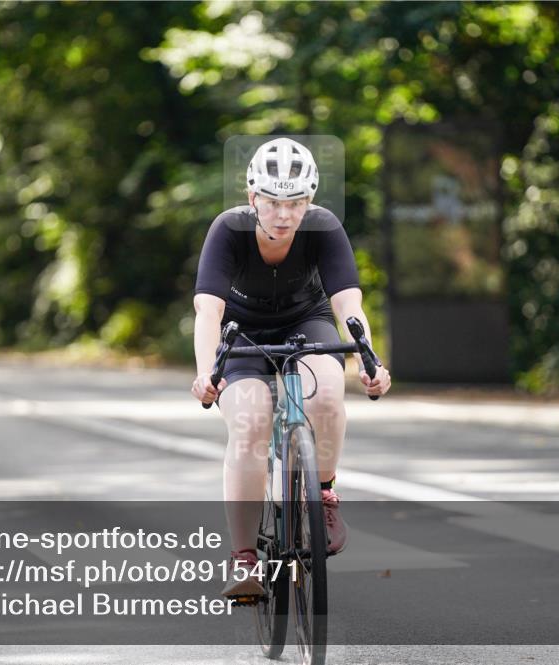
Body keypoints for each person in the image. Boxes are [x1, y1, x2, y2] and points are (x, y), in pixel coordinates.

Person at [191, 138, 391, 597]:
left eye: (296, 202)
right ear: (252, 197)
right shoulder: (228, 230)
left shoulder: (324, 227)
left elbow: (348, 304)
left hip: (306, 321)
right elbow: (208, 311)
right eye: (273, 202)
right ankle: (244, 559)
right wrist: (206, 373)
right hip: (242, 332)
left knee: (327, 394)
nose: (284, 214)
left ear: (310, 200)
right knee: (250, 422)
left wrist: (370, 359)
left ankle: (323, 492)